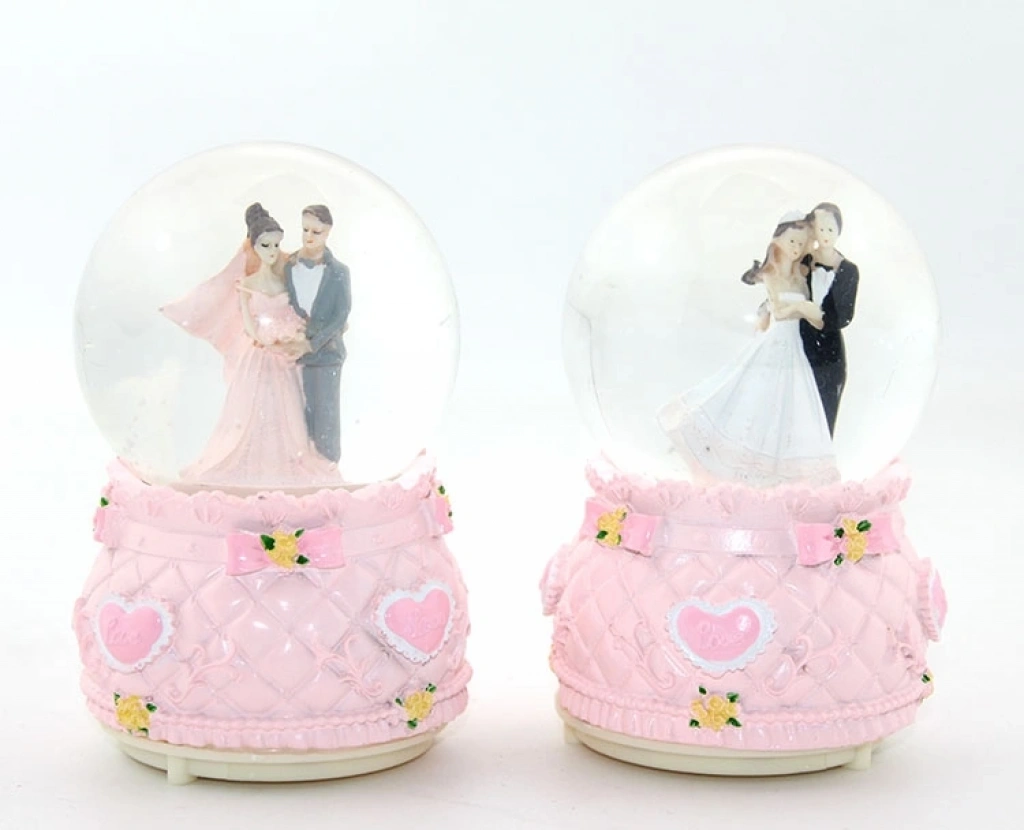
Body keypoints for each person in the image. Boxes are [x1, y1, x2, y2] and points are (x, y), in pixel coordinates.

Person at [161, 203, 341, 489]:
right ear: (254, 247)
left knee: (289, 415)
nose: (272, 252)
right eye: (265, 245)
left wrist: (294, 335)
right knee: (251, 413)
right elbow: (249, 326)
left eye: (276, 245)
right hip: (260, 355)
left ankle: (288, 463)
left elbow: (296, 312)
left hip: (284, 358)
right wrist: (268, 339)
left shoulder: (287, 279)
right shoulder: (246, 285)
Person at [657, 212, 839, 487]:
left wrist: (812, 311)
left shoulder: (802, 277)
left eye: (801, 244)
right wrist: (801, 307)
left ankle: (776, 468)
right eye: (792, 241)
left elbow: (815, 315)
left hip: (795, 345)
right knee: (750, 391)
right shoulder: (773, 275)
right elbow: (779, 310)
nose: (796, 248)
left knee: (788, 402)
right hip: (778, 338)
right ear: (778, 240)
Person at [283, 205, 352, 463]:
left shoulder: (339, 272)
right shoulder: (288, 265)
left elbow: (341, 315)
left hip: (326, 356)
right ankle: (300, 467)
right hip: (290, 356)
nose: (309, 236)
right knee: (295, 416)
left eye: (316, 231)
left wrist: (312, 344)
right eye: (305, 230)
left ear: (328, 232)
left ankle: (328, 466)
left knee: (326, 415)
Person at [799, 202, 859, 435]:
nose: (825, 235)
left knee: (825, 408)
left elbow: (845, 315)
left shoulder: (848, 270)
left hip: (829, 351)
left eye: (830, 229)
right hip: (800, 342)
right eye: (820, 228)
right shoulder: (802, 262)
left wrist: (819, 318)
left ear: (839, 231)